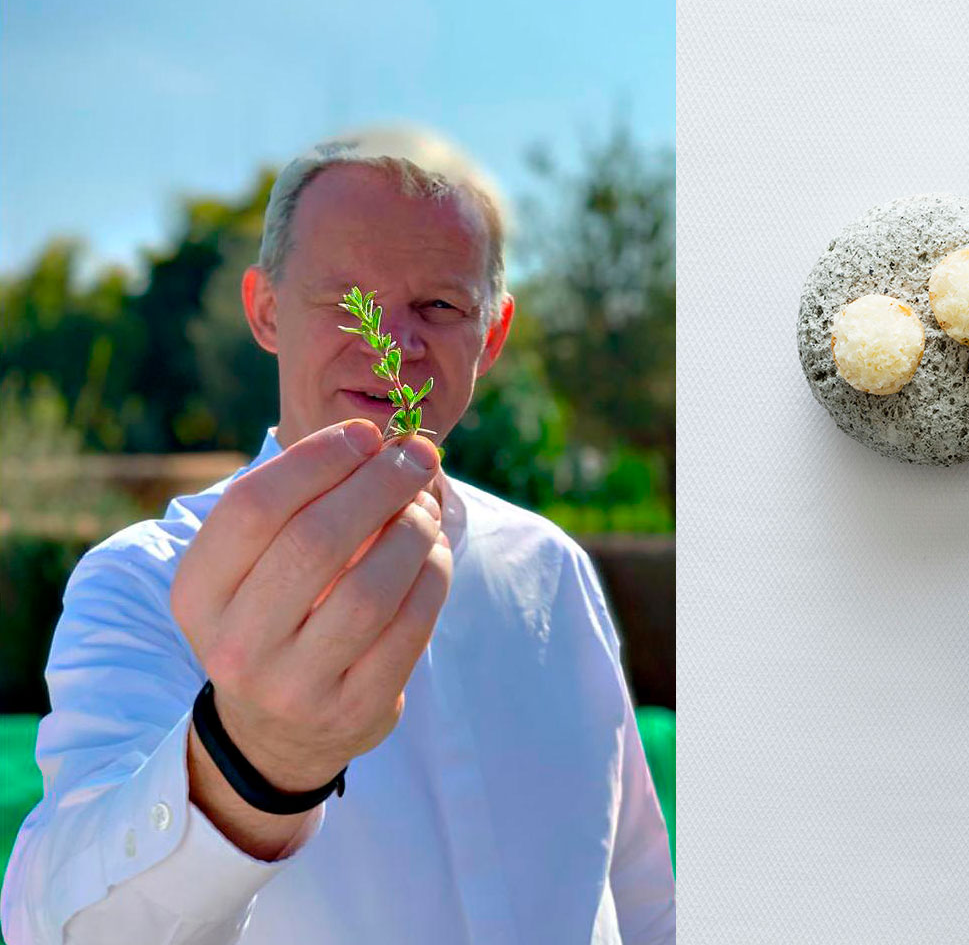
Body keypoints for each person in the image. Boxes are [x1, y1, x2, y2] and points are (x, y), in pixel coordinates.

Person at [0, 129, 676, 943]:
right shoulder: (144, 583)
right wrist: (248, 765)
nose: (392, 343)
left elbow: (636, 883)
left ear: (491, 338)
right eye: (345, 298)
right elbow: (61, 924)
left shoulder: (550, 569)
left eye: (440, 305)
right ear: (265, 311)